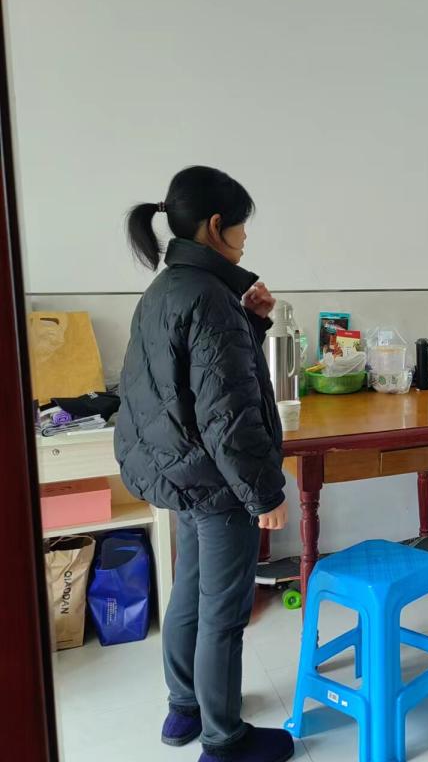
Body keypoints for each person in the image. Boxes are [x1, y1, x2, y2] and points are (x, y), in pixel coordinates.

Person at [115, 166, 295, 762]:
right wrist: (264, 494)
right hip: (218, 484)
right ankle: (224, 741)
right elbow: (229, 415)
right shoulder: (209, 298)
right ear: (217, 226)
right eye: (241, 226)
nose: (245, 238)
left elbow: (190, 384)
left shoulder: (167, 289)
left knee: (190, 592)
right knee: (223, 611)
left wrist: (253, 322)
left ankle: (184, 708)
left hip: (180, 474)